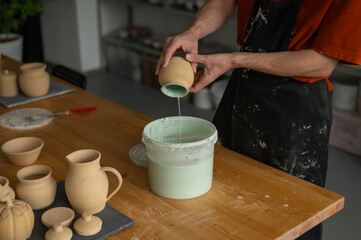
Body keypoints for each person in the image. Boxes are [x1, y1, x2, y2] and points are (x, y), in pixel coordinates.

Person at [155, 0, 361, 239]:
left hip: (296, 109)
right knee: (224, 198)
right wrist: (193, 32)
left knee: (289, 212)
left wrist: (233, 61)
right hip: (243, 89)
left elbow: (321, 63)